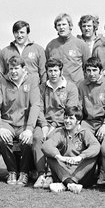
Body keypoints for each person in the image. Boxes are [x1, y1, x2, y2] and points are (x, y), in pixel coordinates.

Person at [0, 56, 43, 186]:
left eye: (16, 68)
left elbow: (35, 105)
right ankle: (12, 170)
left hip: (25, 123)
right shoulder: (1, 82)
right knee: (2, 138)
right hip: (7, 122)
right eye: (11, 68)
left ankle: (24, 172)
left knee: (28, 140)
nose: (13, 71)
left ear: (23, 69)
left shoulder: (31, 81)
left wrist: (30, 129)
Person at [36, 58, 80, 188]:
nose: (53, 74)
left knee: (51, 138)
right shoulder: (42, 87)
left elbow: (70, 111)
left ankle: (50, 175)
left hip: (62, 124)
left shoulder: (70, 87)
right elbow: (39, 108)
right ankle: (40, 174)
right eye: (50, 71)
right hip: (44, 123)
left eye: (56, 70)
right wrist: (44, 125)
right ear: (47, 72)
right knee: (37, 138)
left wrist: (54, 126)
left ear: (61, 71)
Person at [42, 107, 101, 194]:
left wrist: (80, 157)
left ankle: (67, 183)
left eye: (71, 118)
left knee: (93, 156)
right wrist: (59, 157)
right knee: (51, 157)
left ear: (78, 121)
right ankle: (69, 184)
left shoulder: (85, 132)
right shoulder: (60, 132)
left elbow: (96, 146)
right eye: (65, 117)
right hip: (64, 170)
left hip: (80, 173)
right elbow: (46, 145)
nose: (67, 121)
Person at [77, 57, 105, 142]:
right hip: (88, 122)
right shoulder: (82, 85)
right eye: (88, 70)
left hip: (103, 122)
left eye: (94, 70)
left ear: (101, 71)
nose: (91, 74)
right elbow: (79, 107)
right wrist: (77, 123)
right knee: (80, 137)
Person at [45, 13, 91, 84]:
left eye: (64, 24)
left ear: (70, 26)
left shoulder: (81, 44)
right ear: (56, 28)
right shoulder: (51, 46)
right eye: (59, 25)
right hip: (57, 88)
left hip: (77, 87)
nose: (61, 27)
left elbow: (89, 68)